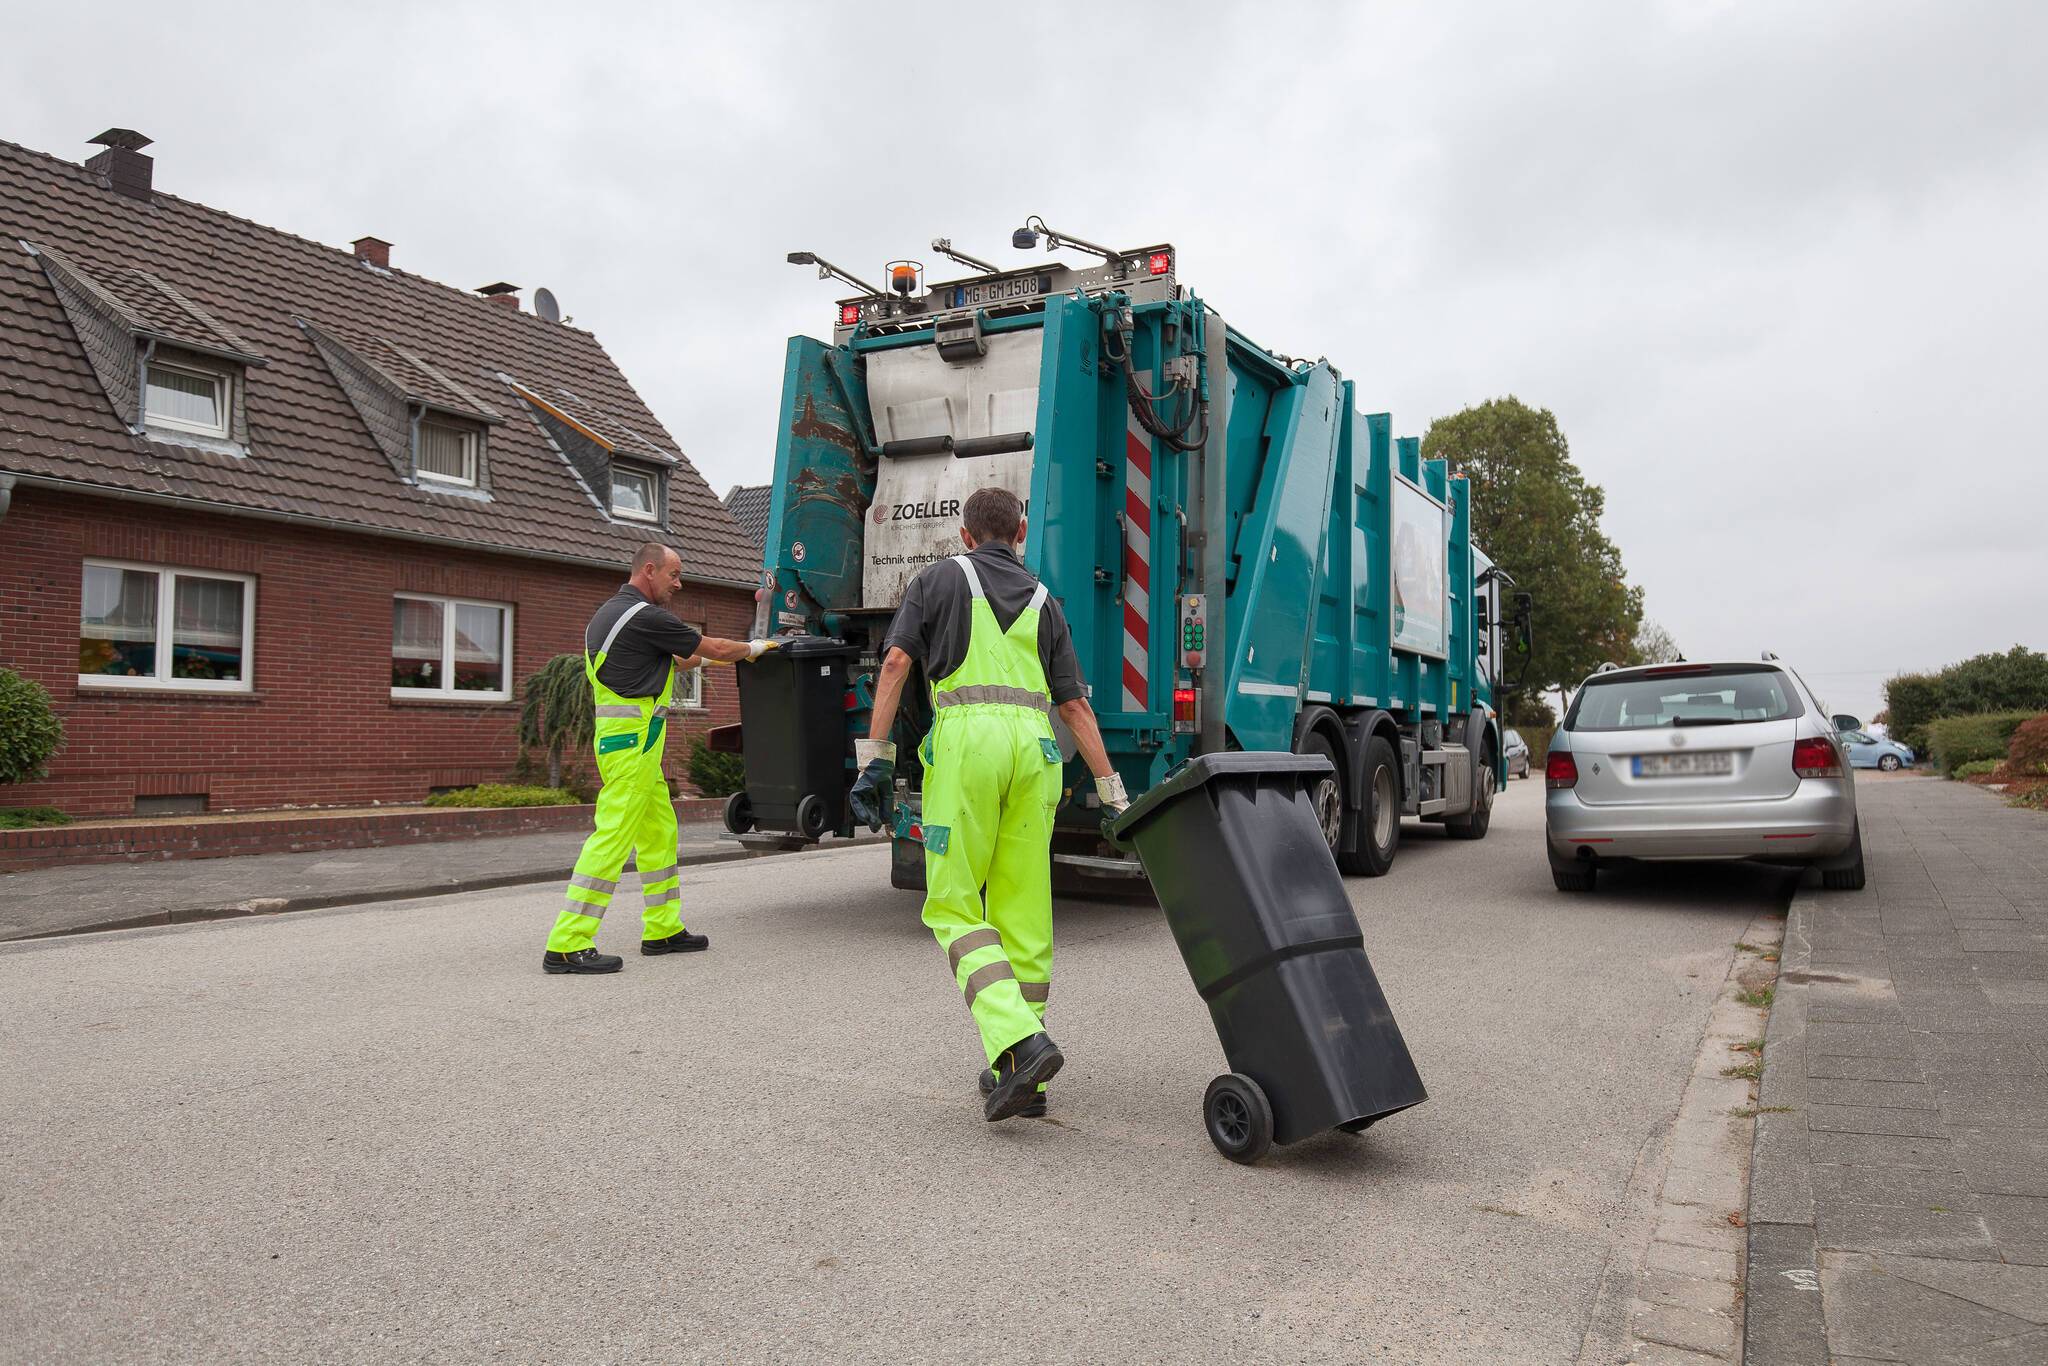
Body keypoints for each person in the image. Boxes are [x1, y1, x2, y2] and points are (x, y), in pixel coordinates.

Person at [849, 487, 1128, 1121]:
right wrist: (1114, 794)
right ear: (1020, 532)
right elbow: (1074, 706)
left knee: (952, 904)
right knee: (1022, 913)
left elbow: (895, 664)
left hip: (969, 747)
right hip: (1036, 753)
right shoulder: (1045, 599)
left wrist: (874, 760)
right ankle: (1020, 1073)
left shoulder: (937, 579)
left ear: (966, 535)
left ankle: (1023, 1043)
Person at [542, 543, 777, 975]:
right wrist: (753, 648)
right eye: (674, 574)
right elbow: (712, 647)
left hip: (631, 745)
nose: (679, 583)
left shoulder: (612, 614)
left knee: (659, 834)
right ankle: (568, 943)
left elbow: (678, 660)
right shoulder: (646, 616)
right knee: (612, 838)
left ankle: (663, 929)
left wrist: (726, 656)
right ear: (649, 570)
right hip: (633, 747)